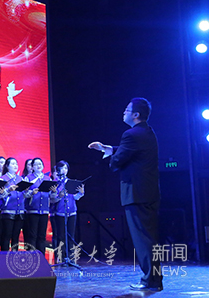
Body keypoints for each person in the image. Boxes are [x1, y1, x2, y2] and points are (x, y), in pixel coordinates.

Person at [89, 97, 162, 291]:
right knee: (149, 238)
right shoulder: (146, 132)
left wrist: (110, 157)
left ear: (136, 114)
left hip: (137, 193)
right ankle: (154, 279)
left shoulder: (131, 134)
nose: (124, 112)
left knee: (143, 239)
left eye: (127, 110)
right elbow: (129, 151)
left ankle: (150, 281)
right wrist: (107, 148)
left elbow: (118, 161)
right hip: (148, 192)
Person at [50, 160, 84, 261]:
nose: (64, 170)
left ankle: (71, 257)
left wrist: (81, 193)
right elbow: (52, 199)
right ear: (57, 170)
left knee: (71, 236)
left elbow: (75, 197)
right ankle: (61, 257)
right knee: (61, 236)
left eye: (66, 168)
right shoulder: (55, 183)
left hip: (72, 211)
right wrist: (59, 196)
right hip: (60, 212)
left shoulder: (71, 182)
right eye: (62, 168)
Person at [24, 158, 52, 254]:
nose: (38, 166)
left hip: (44, 211)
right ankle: (32, 257)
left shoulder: (48, 179)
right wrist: (32, 193)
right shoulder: (28, 178)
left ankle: (41, 258)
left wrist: (54, 191)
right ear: (32, 167)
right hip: (32, 211)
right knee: (32, 235)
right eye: (36, 164)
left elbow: (51, 195)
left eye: (40, 164)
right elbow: (24, 194)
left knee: (42, 236)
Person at [0, 157, 24, 251]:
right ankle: (4, 255)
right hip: (8, 211)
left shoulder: (20, 178)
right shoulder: (3, 179)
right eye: (13, 164)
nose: (15, 166)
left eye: (16, 164)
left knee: (16, 236)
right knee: (7, 235)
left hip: (20, 211)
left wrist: (28, 191)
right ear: (7, 166)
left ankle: (14, 256)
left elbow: (24, 195)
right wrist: (8, 190)